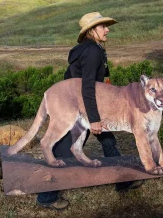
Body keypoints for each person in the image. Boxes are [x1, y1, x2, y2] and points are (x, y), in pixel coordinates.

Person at [36, 12, 144, 211]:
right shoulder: (93, 51)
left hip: (85, 102)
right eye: (103, 26)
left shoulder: (93, 49)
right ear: (92, 30)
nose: (107, 29)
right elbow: (87, 87)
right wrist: (94, 119)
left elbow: (97, 80)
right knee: (64, 149)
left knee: (107, 140)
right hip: (77, 105)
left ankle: (123, 181)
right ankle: (46, 196)